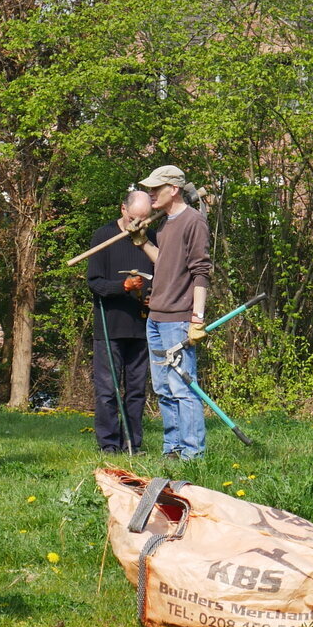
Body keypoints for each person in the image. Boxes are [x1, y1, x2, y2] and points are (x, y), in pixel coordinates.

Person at [134, 164, 212, 460]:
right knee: (164, 388)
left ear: (174, 189)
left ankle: (193, 454)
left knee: (183, 388)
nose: (151, 193)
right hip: (156, 316)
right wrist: (142, 244)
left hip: (179, 318)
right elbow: (164, 262)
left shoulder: (194, 222)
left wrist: (197, 318)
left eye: (156, 188)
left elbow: (201, 272)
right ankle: (173, 448)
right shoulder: (165, 224)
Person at [85, 190, 156, 452]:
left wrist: (152, 296)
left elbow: (162, 276)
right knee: (108, 391)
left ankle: (133, 445)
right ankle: (108, 446)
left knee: (136, 391)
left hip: (142, 326)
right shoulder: (103, 237)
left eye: (145, 219)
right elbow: (95, 283)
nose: (139, 225)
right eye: (135, 218)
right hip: (110, 326)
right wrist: (123, 286)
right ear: (123, 210)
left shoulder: (151, 239)